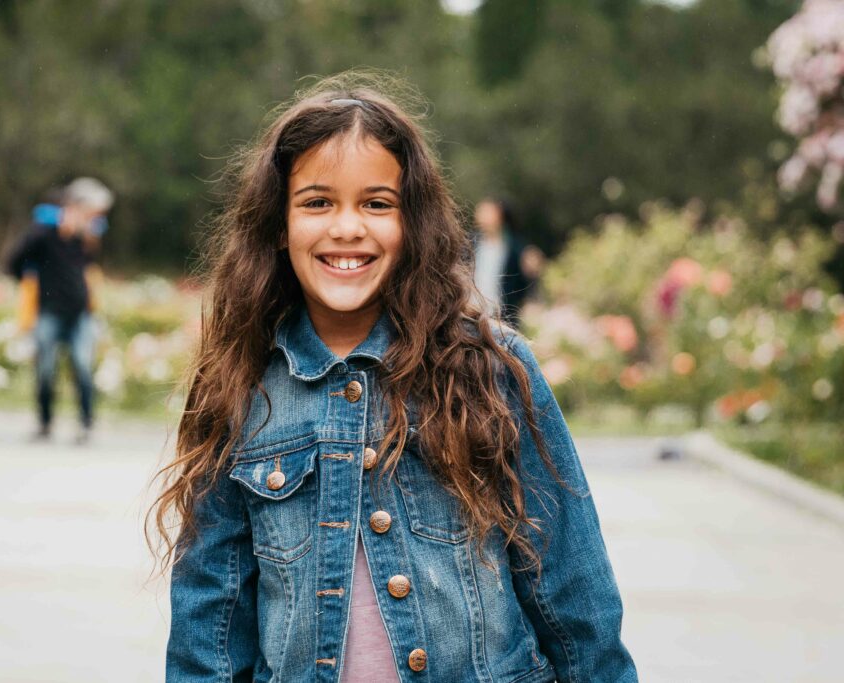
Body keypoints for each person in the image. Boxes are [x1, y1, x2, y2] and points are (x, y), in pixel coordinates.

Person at [156, 74, 637, 682]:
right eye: (317, 202)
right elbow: (210, 621)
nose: (347, 227)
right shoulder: (239, 384)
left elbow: (572, 591)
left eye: (376, 204)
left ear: (412, 222)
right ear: (279, 224)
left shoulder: (490, 368)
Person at [5, 177, 114, 444]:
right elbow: (14, 261)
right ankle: (45, 423)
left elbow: (86, 267)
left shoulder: (86, 237)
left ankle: (86, 424)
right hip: (49, 312)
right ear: (76, 207)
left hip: (80, 314)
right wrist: (31, 282)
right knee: (45, 370)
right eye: (92, 213)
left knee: (83, 366)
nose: (96, 219)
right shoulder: (43, 232)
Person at [472, 197, 544, 328]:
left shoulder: (515, 248)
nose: (480, 215)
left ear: (500, 215)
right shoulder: (470, 243)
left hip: (503, 317)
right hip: (473, 314)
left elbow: (526, 281)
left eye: (487, 211)